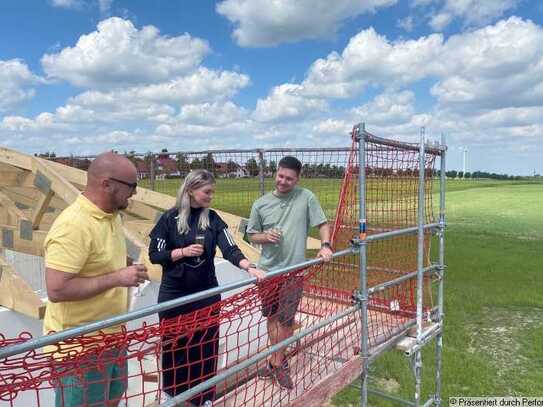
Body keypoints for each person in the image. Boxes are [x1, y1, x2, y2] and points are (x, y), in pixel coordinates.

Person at [148, 169, 265, 406]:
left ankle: (204, 397)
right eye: (207, 192)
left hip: (206, 294)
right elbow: (154, 255)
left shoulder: (212, 219)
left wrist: (249, 267)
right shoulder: (168, 219)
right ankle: (172, 394)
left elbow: (230, 248)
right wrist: (182, 252)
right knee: (174, 346)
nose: (211, 196)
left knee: (206, 346)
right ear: (191, 190)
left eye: (213, 192)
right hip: (175, 296)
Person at [44, 151, 149, 407]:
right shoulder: (73, 226)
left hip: (111, 335)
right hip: (79, 347)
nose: (134, 193)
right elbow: (57, 289)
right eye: (131, 186)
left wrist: (119, 266)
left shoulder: (111, 214)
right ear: (106, 184)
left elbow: (95, 261)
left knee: (112, 398)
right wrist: (117, 277)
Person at [247, 156, 333, 390]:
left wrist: (325, 246)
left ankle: (276, 363)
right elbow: (251, 234)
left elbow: (323, 225)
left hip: (293, 273)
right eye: (281, 176)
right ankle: (277, 361)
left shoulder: (306, 197)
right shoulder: (260, 204)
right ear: (276, 173)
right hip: (266, 273)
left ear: (297, 179)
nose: (283, 182)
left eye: (289, 179)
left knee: (286, 321)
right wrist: (265, 237)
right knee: (272, 317)